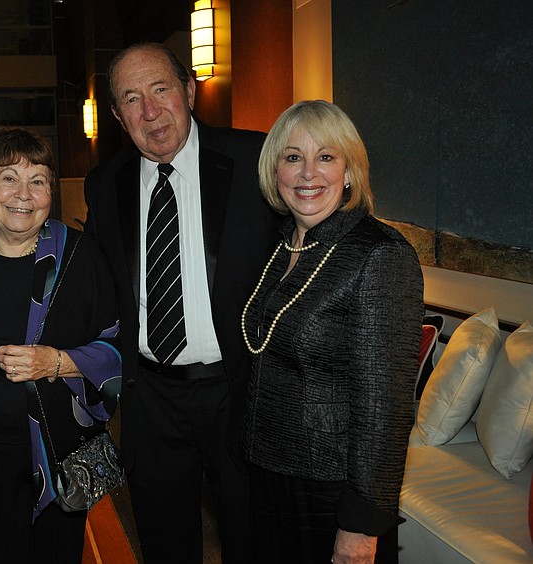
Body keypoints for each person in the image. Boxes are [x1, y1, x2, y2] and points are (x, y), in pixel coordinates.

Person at [83, 42, 280, 563]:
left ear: (189, 90)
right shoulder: (105, 186)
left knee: (250, 536)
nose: (149, 111)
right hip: (150, 399)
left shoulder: (255, 161)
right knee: (164, 540)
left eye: (160, 89)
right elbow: (100, 290)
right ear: (119, 116)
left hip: (238, 391)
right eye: (131, 98)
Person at [0, 127, 122, 564]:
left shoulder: (81, 257)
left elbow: (118, 349)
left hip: (59, 456)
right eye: (8, 177)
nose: (23, 194)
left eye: (38, 181)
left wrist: (57, 362)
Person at [240, 100, 423, 563]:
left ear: (348, 172)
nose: (307, 173)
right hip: (266, 474)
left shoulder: (379, 254)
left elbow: (385, 408)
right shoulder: (280, 244)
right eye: (292, 156)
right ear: (274, 170)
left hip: (331, 491)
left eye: (325, 157)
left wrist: (362, 524)